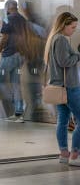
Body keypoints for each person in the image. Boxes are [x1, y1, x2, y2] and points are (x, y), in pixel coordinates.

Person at [44, 12, 80, 165]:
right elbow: (64, 61)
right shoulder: (60, 40)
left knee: (63, 121)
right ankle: (75, 155)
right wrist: (78, 56)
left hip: (59, 88)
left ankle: (64, 154)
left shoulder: (53, 38)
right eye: (72, 27)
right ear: (64, 25)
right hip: (69, 87)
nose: (74, 30)